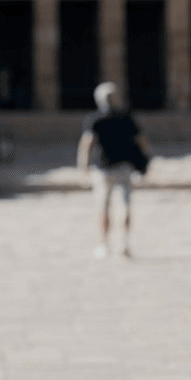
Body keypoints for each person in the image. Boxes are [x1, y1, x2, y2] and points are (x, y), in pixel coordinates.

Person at [77, 81, 150, 259]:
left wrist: (83, 166)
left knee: (103, 206)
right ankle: (125, 244)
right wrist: (146, 160)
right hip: (124, 166)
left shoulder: (94, 119)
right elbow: (142, 142)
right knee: (125, 205)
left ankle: (104, 244)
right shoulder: (126, 117)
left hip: (102, 168)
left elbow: (87, 144)